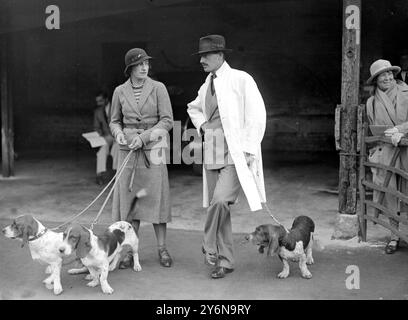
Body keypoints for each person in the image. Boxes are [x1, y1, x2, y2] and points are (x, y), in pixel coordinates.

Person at [187, 35, 266, 279]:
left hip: (235, 152)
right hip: (212, 151)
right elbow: (194, 107)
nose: (202, 60)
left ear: (220, 56)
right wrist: (201, 127)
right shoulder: (206, 84)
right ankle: (226, 261)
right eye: (200, 56)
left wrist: (248, 148)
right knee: (219, 209)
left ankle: (208, 243)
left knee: (221, 201)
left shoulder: (241, 79)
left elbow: (257, 114)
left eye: (206, 55)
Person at [110, 48, 174, 267]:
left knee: (157, 201)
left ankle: (162, 249)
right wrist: (118, 134)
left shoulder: (158, 88)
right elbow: (114, 120)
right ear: (130, 69)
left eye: (146, 63)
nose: (144, 67)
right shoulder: (119, 91)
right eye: (139, 65)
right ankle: (128, 251)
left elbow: (166, 121)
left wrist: (145, 137)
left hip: (153, 151)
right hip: (127, 151)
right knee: (129, 204)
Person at [366, 59, 408, 254]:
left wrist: (399, 130)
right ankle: (394, 236)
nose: (388, 78)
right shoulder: (372, 102)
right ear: (376, 80)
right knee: (390, 195)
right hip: (386, 152)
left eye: (390, 74)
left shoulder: (406, 93)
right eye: (383, 75)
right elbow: (373, 130)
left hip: (406, 149)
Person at [94, 90, 119, 185]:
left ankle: (117, 174)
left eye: (100, 101)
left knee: (117, 149)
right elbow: (96, 127)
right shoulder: (97, 111)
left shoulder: (117, 108)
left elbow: (123, 124)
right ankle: (99, 175)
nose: (98, 103)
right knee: (102, 151)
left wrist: (117, 136)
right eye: (97, 101)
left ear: (106, 99)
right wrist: (103, 136)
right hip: (106, 137)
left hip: (117, 137)